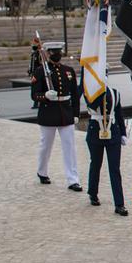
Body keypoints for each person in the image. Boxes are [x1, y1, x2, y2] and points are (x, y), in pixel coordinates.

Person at [31, 41, 82, 191]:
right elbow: (34, 95)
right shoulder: (40, 71)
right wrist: (45, 96)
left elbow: (74, 94)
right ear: (48, 53)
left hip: (65, 113)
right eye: (53, 52)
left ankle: (73, 180)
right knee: (45, 145)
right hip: (48, 113)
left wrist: (76, 113)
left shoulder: (69, 70)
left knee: (69, 147)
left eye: (59, 51)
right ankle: (42, 171)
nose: (57, 54)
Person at [85, 84, 129, 215]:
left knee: (115, 169)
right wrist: (100, 93)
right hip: (95, 131)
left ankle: (119, 204)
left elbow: (119, 113)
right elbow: (92, 106)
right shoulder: (90, 92)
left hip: (112, 132)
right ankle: (93, 193)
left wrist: (123, 133)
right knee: (96, 164)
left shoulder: (115, 92)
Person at [29, 38, 43, 109]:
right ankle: (36, 103)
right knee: (35, 88)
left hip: (38, 74)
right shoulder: (34, 53)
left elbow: (41, 64)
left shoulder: (39, 53)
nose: (33, 44)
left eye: (34, 43)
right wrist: (30, 71)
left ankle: (36, 103)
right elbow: (32, 64)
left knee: (37, 88)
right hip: (33, 73)